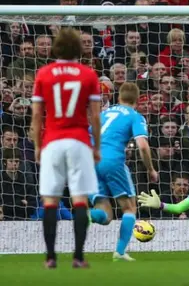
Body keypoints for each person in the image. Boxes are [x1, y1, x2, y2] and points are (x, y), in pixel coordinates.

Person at [30, 28, 103, 269]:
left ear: (55, 49)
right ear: (78, 50)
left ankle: (50, 257)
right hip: (79, 140)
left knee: (50, 200)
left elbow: (37, 115)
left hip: (52, 141)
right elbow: (94, 115)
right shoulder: (88, 74)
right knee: (80, 199)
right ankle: (78, 257)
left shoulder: (44, 74)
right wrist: (96, 146)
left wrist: (38, 145)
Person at [88, 82, 158, 261]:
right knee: (129, 208)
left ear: (118, 97)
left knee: (106, 215)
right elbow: (142, 145)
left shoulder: (103, 114)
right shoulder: (135, 116)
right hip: (112, 161)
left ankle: (87, 215)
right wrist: (150, 169)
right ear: (137, 100)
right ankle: (119, 252)